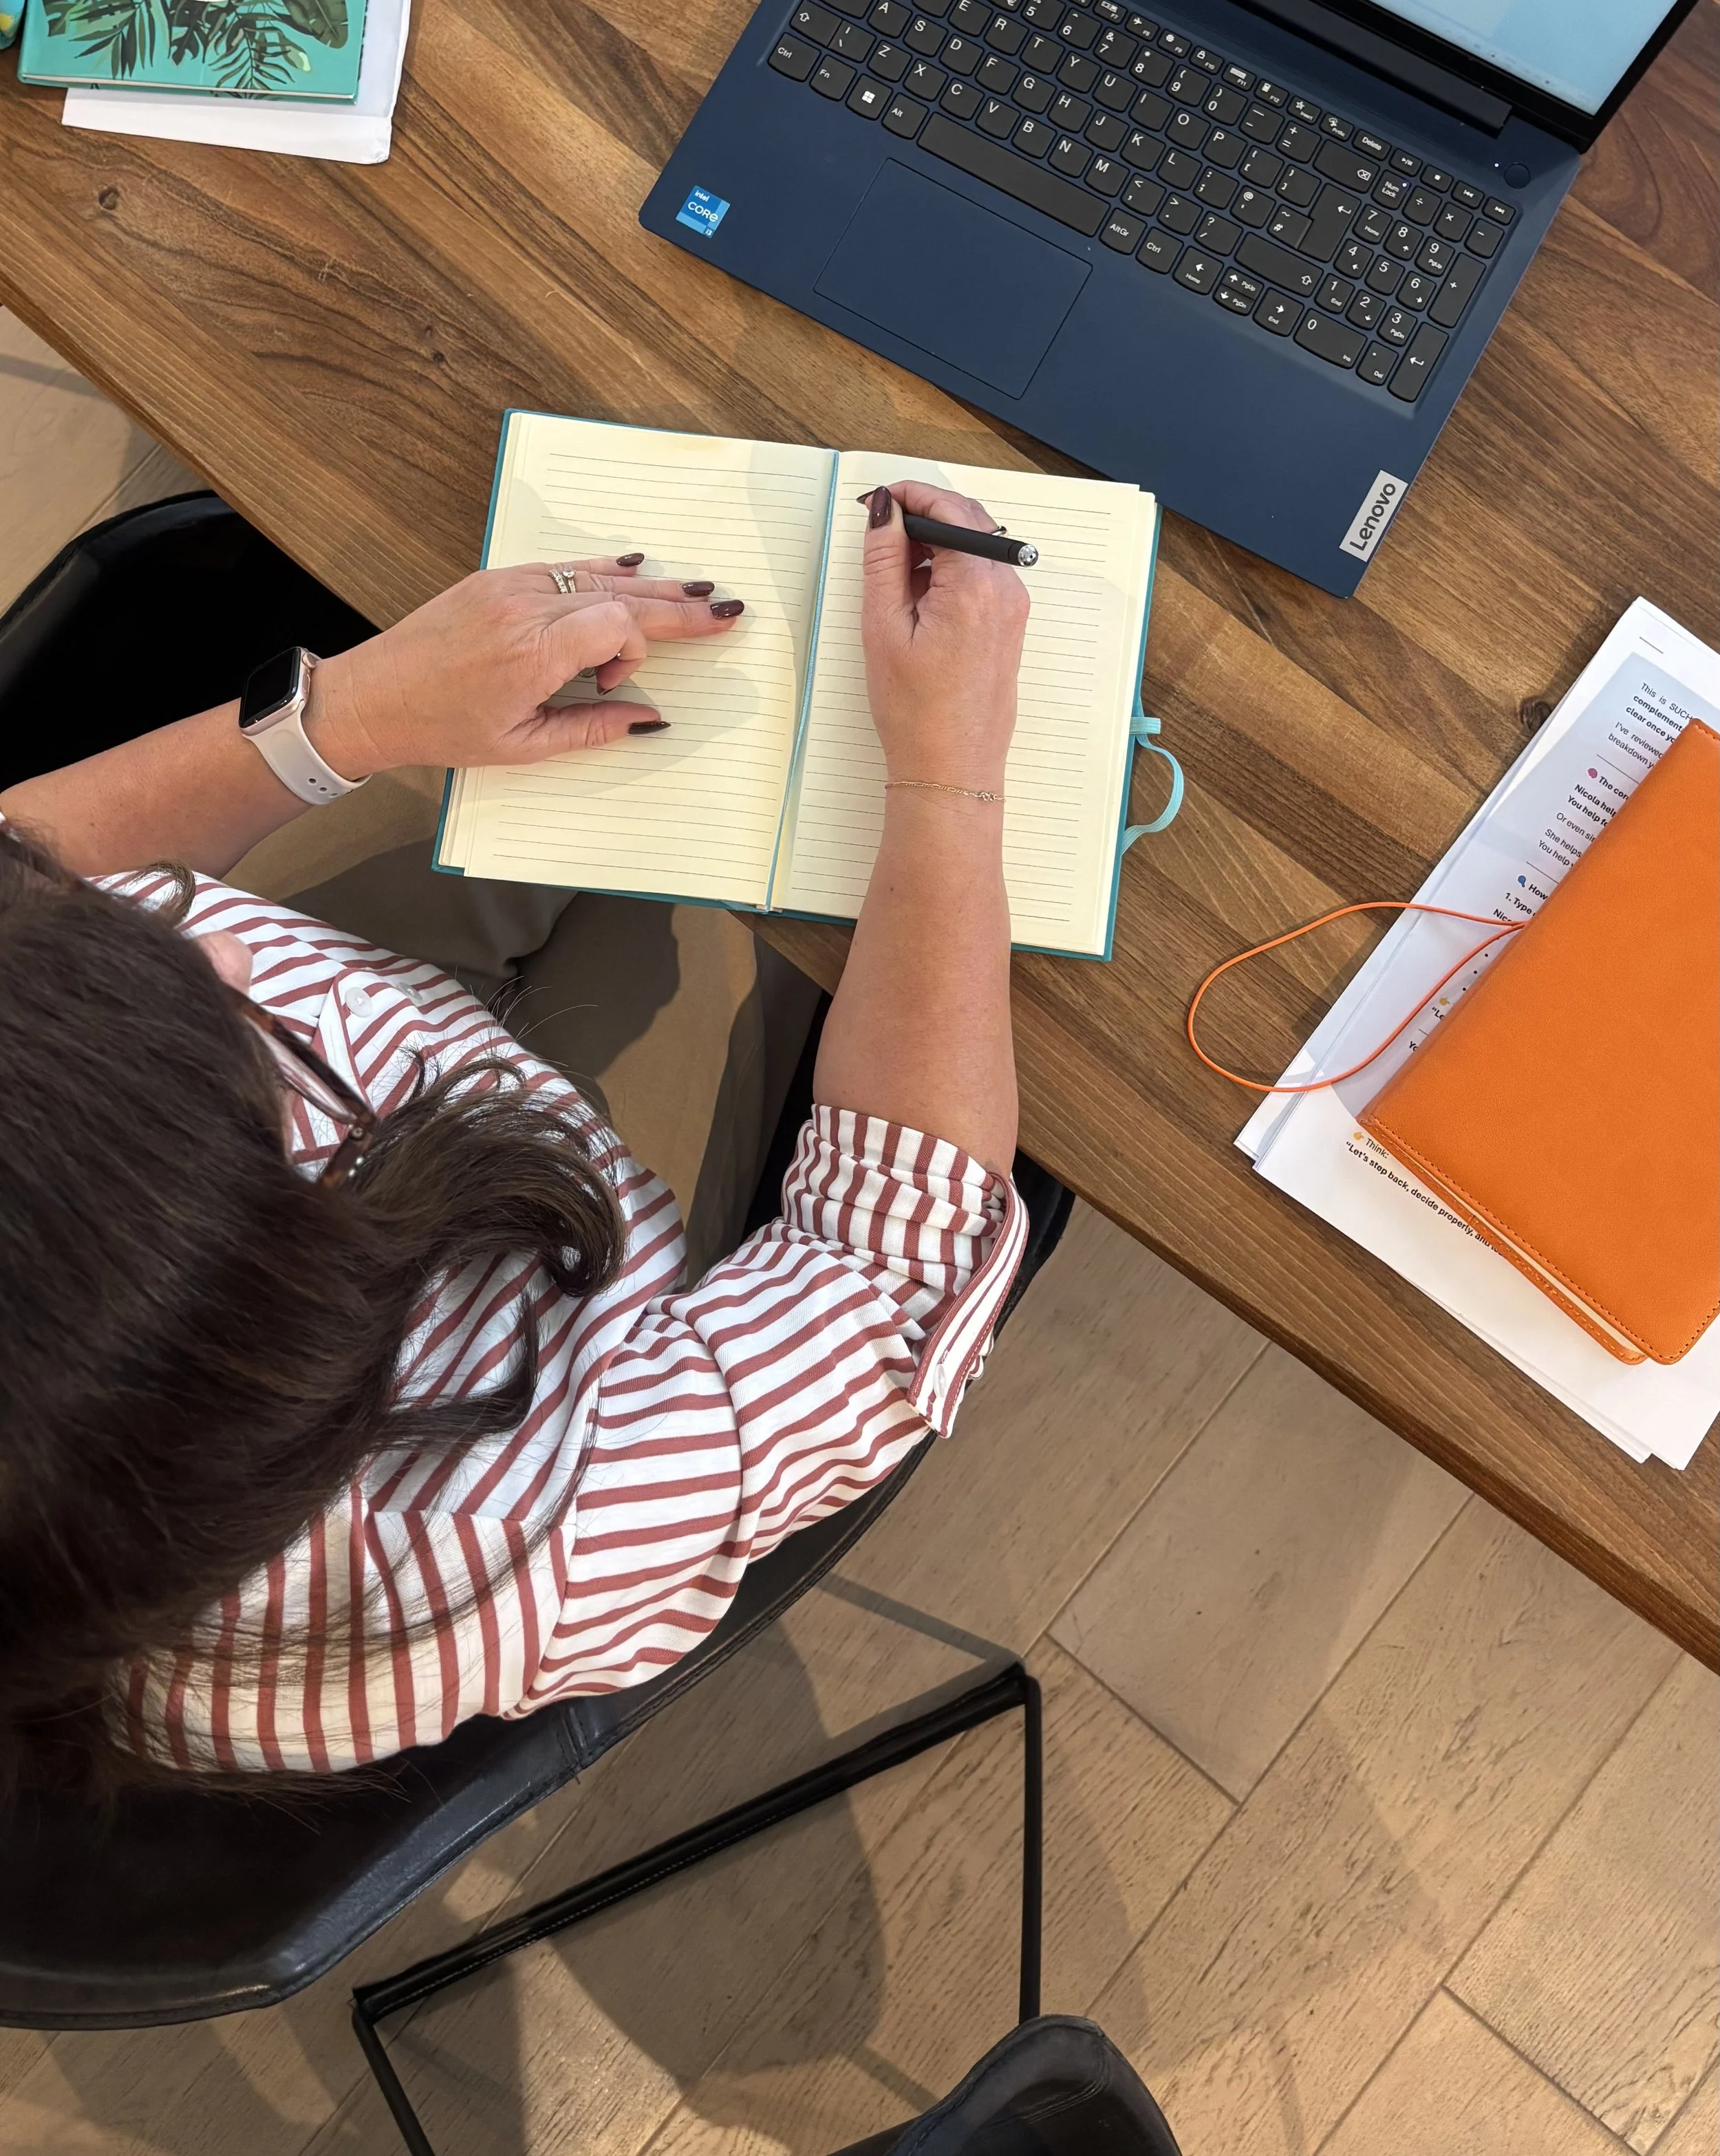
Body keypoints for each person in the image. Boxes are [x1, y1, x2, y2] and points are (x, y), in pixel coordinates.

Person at [0, 479, 1029, 1790]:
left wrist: (343, 719)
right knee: (821, 937)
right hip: (602, 1277)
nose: (171, 943)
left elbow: (28, 858)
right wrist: (949, 778)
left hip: (401, 1035)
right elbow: (884, 1276)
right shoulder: (509, 1534)